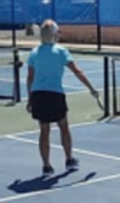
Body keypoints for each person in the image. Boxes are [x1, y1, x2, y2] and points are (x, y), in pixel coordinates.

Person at [26, 19, 99, 177]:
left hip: (39, 95)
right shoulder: (61, 51)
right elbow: (77, 71)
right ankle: (69, 159)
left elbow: (30, 78)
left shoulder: (34, 53)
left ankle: (46, 166)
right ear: (54, 34)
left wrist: (30, 98)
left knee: (44, 130)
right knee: (63, 127)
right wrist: (91, 88)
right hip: (55, 94)